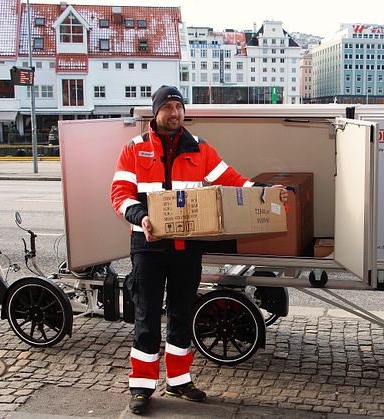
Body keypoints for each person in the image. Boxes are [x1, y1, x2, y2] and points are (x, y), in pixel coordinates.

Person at [110, 86, 287, 415]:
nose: (174, 113)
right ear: (155, 112)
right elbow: (120, 193)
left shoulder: (200, 149)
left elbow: (232, 180)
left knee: (181, 312)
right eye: (168, 107)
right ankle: (142, 386)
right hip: (147, 245)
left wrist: (267, 192)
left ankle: (178, 380)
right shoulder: (134, 149)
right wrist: (141, 216)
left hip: (186, 246)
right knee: (147, 316)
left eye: (179, 106)